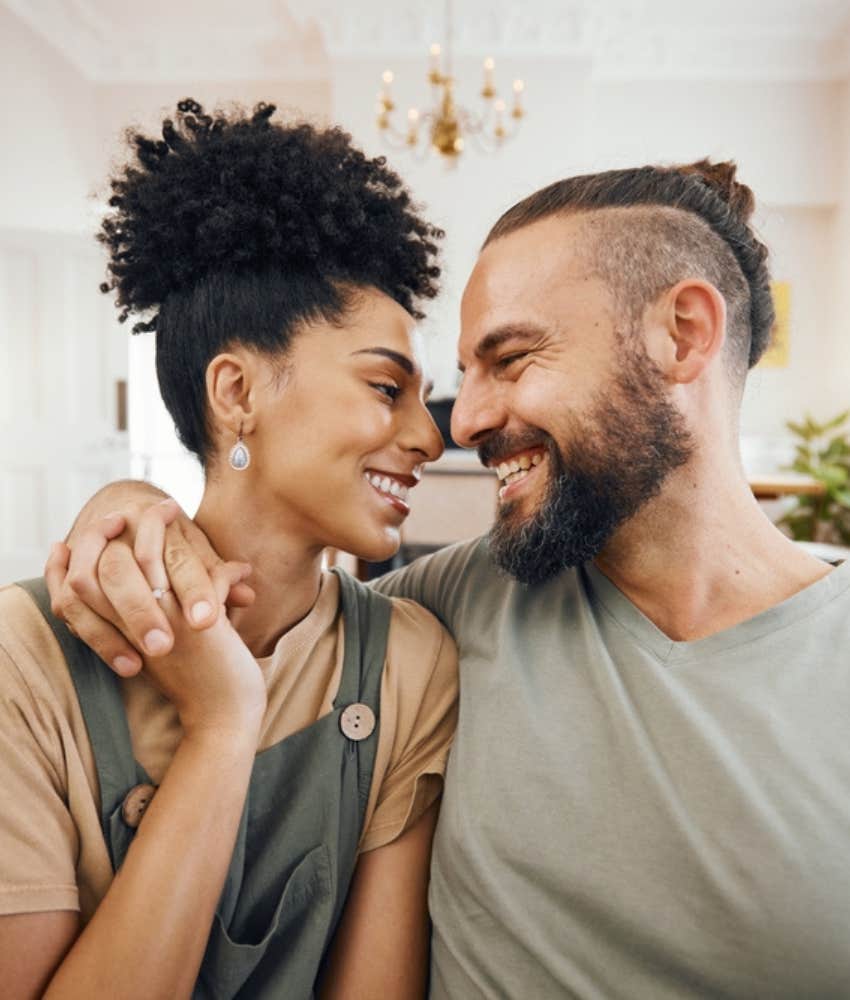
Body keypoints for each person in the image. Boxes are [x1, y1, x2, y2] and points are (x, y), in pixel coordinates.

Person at [43, 159, 850, 998]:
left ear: (682, 334)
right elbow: (278, 608)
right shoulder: (461, 607)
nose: (460, 424)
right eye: (458, 377)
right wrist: (134, 510)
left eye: (509, 359)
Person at [0, 99, 459, 999]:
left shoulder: (409, 663)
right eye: (385, 386)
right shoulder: (24, 653)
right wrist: (221, 727)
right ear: (236, 390)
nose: (430, 439)